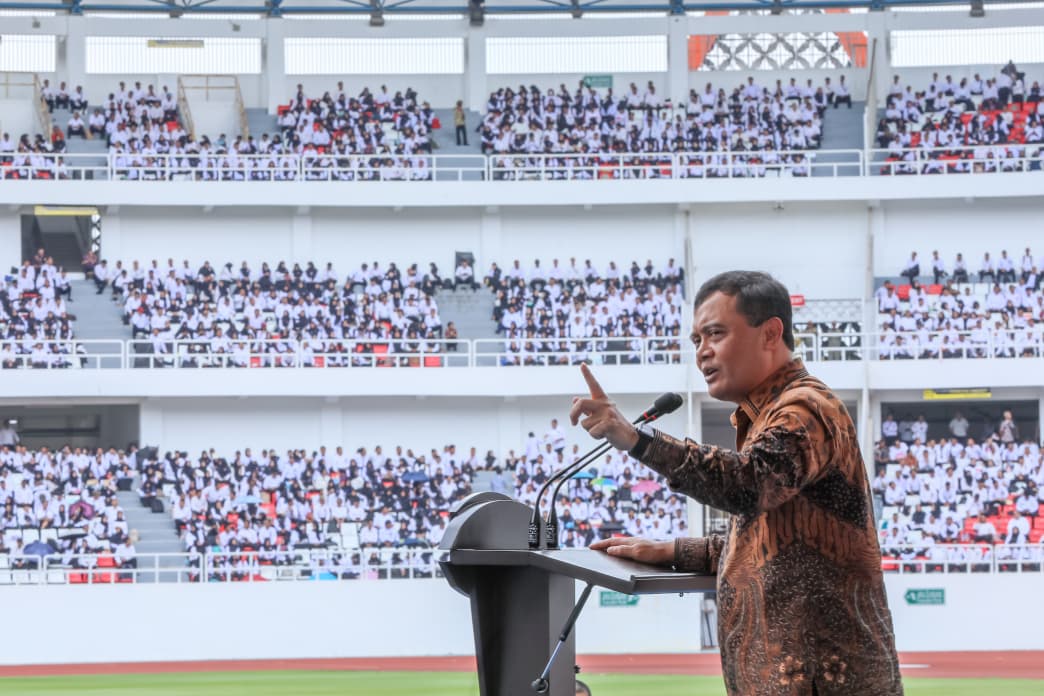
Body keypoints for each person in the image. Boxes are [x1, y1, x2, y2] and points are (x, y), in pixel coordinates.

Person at [571, 270, 902, 695]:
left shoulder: (805, 409)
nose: (702, 353)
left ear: (770, 333)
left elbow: (751, 484)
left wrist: (637, 440)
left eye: (714, 334)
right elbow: (773, 549)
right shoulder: (768, 417)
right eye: (696, 341)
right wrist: (672, 550)